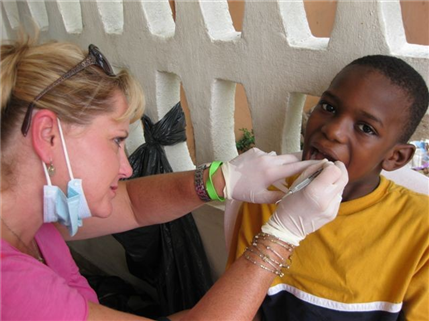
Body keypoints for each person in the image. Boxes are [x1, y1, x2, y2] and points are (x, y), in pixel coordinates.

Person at [0, 33, 349, 320]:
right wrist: (281, 235)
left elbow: (132, 205)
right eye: (116, 141)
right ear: (48, 136)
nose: (126, 167)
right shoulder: (12, 285)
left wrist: (221, 179)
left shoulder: (34, 219)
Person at [227, 55, 429, 321]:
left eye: (365, 128)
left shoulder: (420, 228)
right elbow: (241, 306)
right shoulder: (266, 194)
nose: (333, 130)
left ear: (395, 157)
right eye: (329, 107)